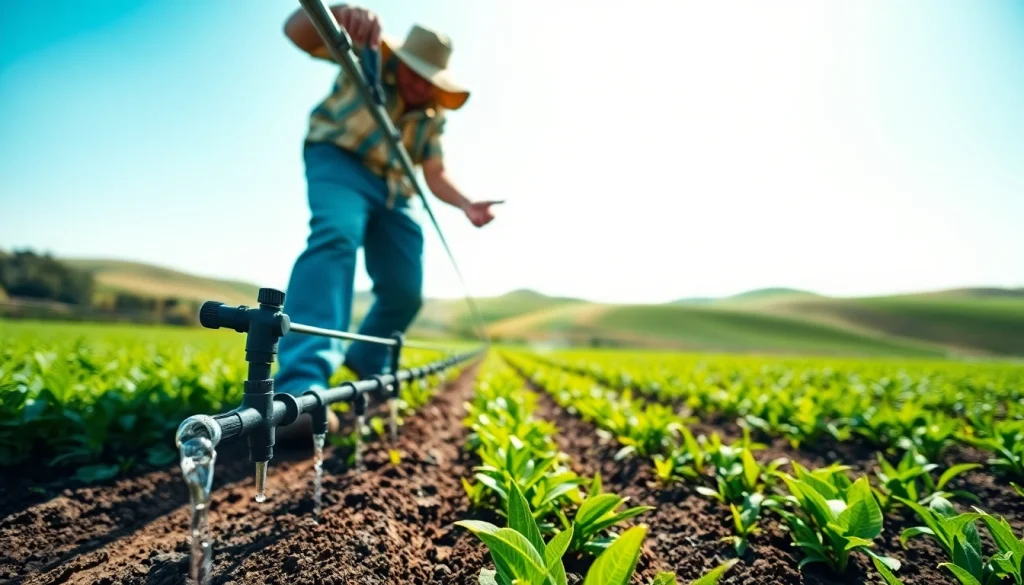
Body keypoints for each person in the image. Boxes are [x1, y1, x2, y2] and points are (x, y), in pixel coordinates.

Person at [275, 5, 498, 438]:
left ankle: (362, 370)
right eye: (414, 72)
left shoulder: (432, 119)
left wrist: (467, 203)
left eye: (428, 79)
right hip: (341, 160)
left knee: (405, 289)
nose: (418, 84)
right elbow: (296, 31)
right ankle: (302, 388)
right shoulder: (364, 53)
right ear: (403, 61)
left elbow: (434, 173)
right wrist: (339, 12)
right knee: (336, 236)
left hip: (396, 189)